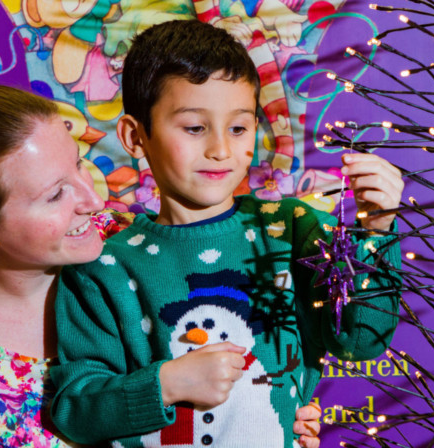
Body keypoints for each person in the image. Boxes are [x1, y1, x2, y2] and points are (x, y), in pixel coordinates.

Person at [0, 83, 323, 448]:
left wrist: (270, 413)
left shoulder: (126, 241)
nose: (91, 199)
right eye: (54, 195)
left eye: (80, 167)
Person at [50, 19, 403, 448]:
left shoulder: (290, 229)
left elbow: (362, 340)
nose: (220, 149)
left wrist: (377, 230)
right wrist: (165, 383)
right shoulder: (103, 265)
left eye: (238, 128)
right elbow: (75, 410)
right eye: (195, 128)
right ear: (135, 136)